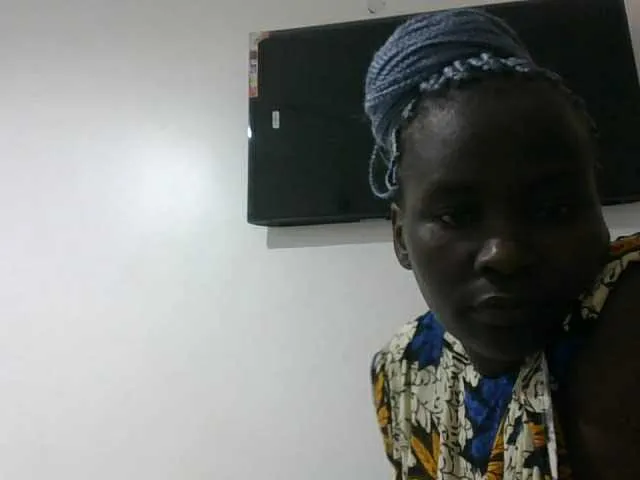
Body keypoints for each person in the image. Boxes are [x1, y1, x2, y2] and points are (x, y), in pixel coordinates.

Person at [365, 9, 640, 480]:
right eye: (456, 215)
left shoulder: (626, 311)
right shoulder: (402, 367)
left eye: (554, 209)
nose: (504, 254)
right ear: (400, 237)